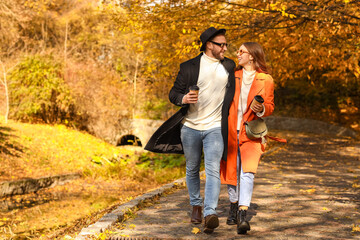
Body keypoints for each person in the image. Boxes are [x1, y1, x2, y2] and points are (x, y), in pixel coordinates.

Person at [145, 27, 236, 234]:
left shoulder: (229, 66)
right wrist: (183, 98)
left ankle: (210, 212)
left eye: (226, 44)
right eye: (221, 44)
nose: (225, 48)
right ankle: (196, 204)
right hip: (191, 127)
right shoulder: (188, 67)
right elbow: (173, 93)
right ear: (208, 45)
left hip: (215, 126)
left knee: (212, 168)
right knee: (192, 168)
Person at [220, 42, 278, 234]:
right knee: (231, 171)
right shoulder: (232, 76)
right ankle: (234, 205)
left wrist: (262, 109)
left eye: (241, 51)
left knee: (248, 172)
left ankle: (243, 215)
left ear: (252, 56)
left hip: (251, 132)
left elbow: (270, 105)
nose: (238, 54)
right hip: (230, 130)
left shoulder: (265, 79)